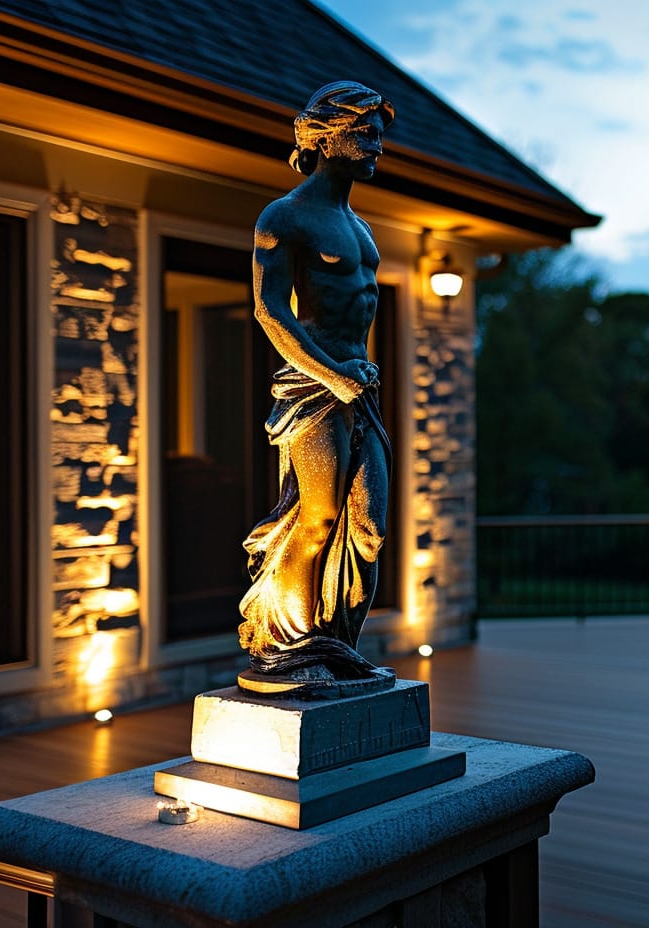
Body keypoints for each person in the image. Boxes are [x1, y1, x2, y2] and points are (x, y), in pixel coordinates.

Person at [236, 81, 394, 687]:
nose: (378, 143)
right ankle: (294, 652)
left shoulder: (360, 226)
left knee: (369, 528)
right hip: (310, 390)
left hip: (360, 385)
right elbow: (269, 310)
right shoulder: (284, 217)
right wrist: (332, 376)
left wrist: (355, 378)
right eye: (366, 131)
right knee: (320, 516)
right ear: (327, 136)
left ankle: (339, 648)